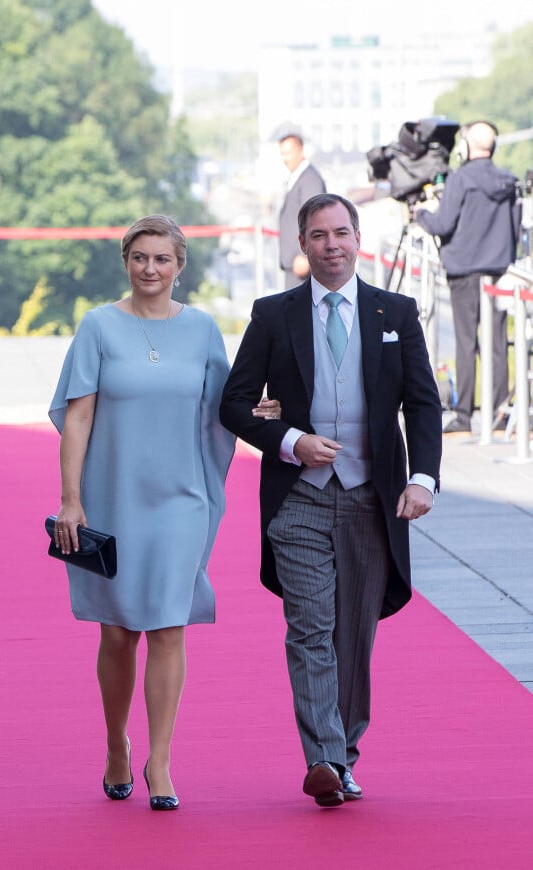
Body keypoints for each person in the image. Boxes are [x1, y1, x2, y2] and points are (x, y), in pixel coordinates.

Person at [48, 215, 280, 810]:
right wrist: (71, 498)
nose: (150, 269)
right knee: (120, 630)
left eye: (162, 259)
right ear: (126, 261)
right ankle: (115, 745)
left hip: (182, 499)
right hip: (111, 497)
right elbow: (76, 416)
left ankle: (161, 761)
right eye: (140, 257)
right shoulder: (98, 326)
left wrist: (272, 412)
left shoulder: (203, 330)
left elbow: (228, 406)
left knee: (169, 626)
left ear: (181, 267)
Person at [220, 193, 442, 808]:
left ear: (358, 237)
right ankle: (323, 758)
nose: (332, 245)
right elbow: (234, 402)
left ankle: (344, 755)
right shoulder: (273, 314)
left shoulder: (394, 310)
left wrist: (422, 478)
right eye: (318, 235)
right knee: (310, 629)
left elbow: (422, 403)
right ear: (302, 244)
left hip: (374, 499)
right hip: (299, 502)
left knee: (355, 637)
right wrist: (290, 440)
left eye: (341, 233)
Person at [415, 121, 521, 434]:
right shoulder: (508, 182)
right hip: (498, 273)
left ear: (466, 148)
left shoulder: (460, 179)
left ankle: (464, 414)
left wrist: (421, 214)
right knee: (498, 343)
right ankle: (500, 411)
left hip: (464, 271)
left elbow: (442, 224)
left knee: (466, 341)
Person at [278, 132, 326, 289]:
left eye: (288, 153)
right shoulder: (298, 177)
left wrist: (304, 255)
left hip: (302, 262)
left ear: (300, 150)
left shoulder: (310, 179)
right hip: (294, 262)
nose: (285, 158)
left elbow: (314, 219)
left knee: (302, 311)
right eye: (282, 154)